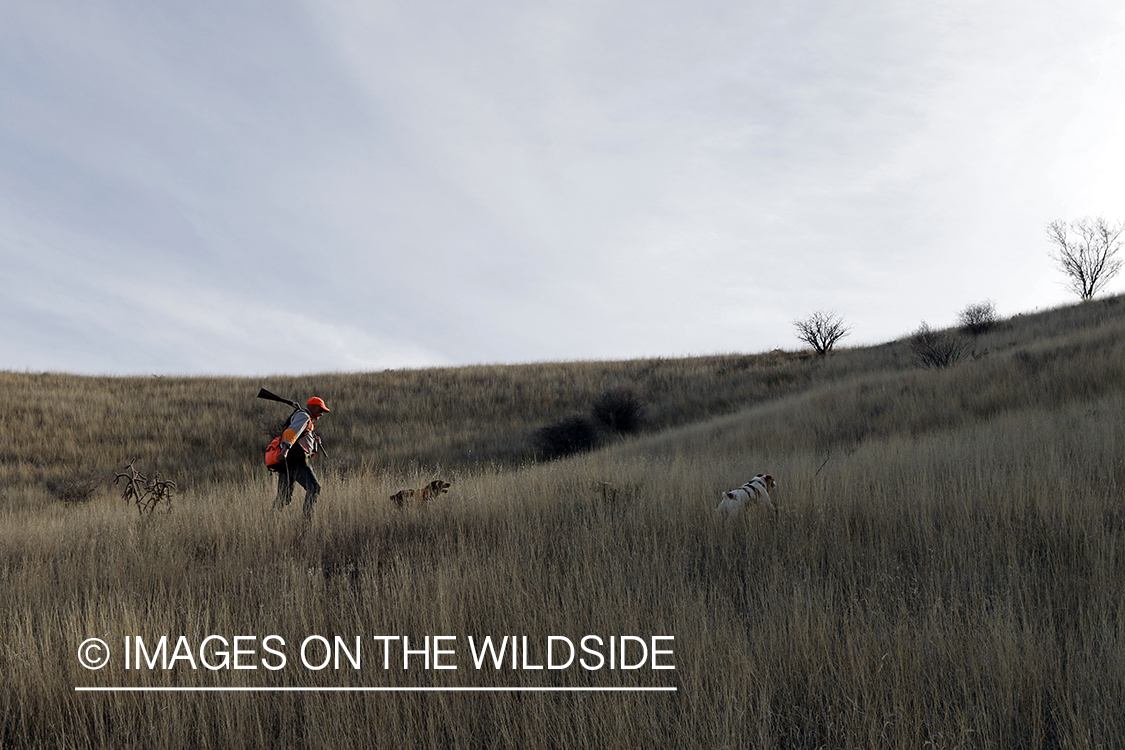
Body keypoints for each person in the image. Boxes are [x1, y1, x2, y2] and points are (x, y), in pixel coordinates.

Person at [273, 397, 330, 520]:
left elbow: (300, 438)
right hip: (295, 461)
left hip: (288, 461)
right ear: (313, 407)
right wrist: (285, 450)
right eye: (321, 410)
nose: (321, 414)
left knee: (283, 497)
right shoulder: (304, 416)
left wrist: (314, 442)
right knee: (314, 488)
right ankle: (306, 521)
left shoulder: (304, 417)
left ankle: (269, 524)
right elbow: (291, 433)